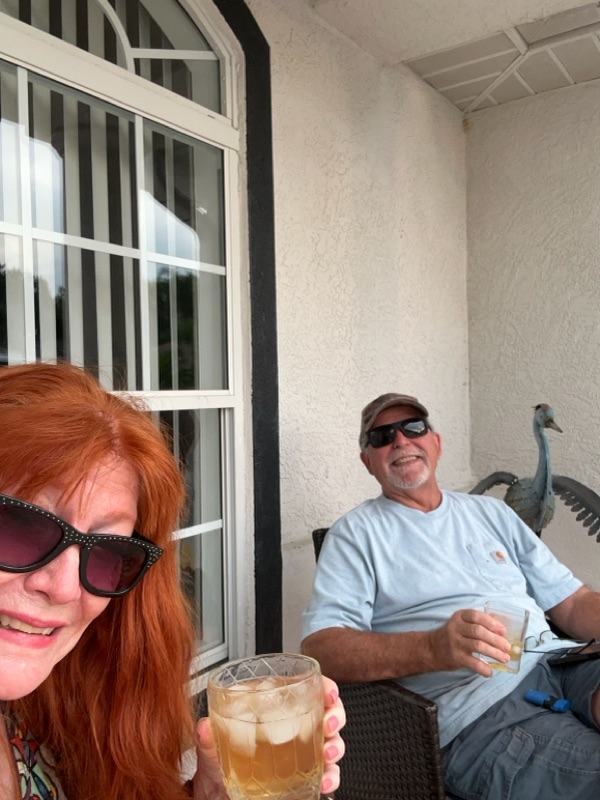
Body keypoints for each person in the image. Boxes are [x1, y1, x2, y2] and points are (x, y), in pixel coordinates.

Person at [0, 361, 345, 800]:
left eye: (107, 551)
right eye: (20, 526)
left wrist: (208, 792)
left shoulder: (36, 717)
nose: (66, 587)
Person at [302, 391, 600, 800]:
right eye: (382, 436)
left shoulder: (491, 512)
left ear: (436, 443)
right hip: (485, 711)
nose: (401, 441)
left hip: (561, 662)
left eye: (413, 427)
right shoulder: (356, 535)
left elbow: (572, 602)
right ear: (367, 461)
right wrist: (432, 648)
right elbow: (322, 649)